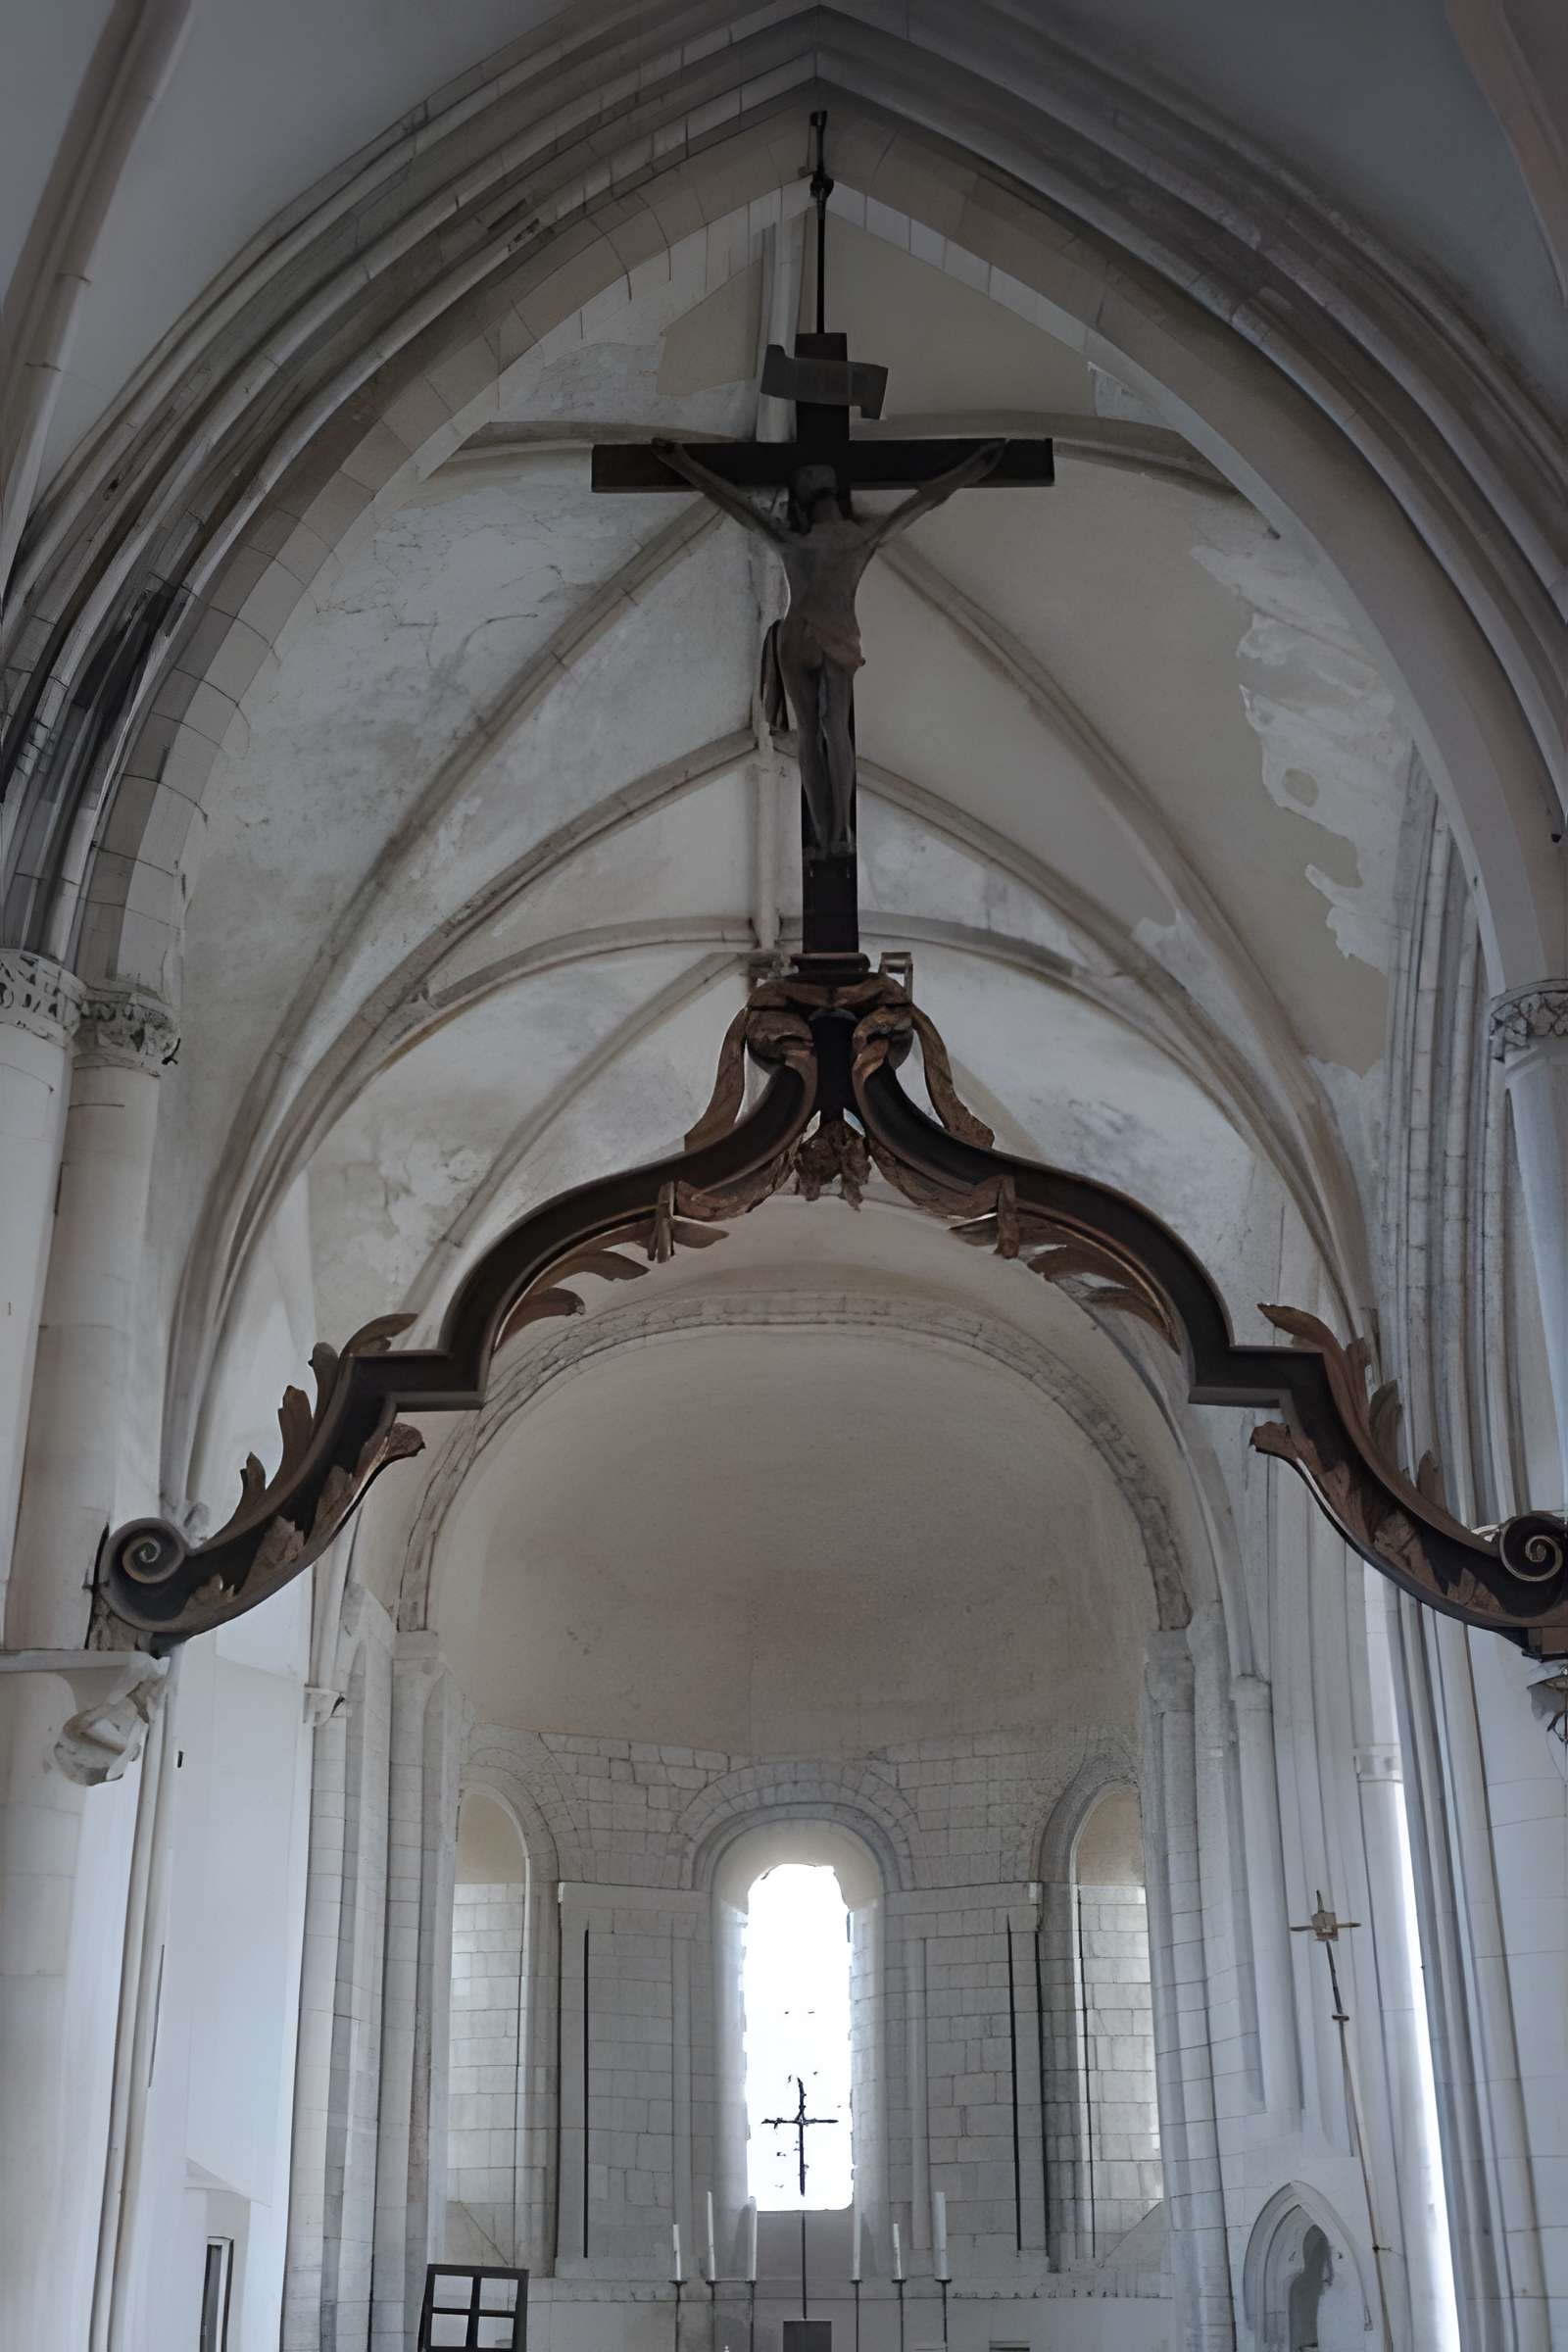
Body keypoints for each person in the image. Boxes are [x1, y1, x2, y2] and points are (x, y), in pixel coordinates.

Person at [651, 437, 1006, 852]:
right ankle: (836, 830)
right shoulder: (859, 537)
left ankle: (831, 830)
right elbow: (924, 500)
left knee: (817, 732)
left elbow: (736, 505)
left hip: (798, 636)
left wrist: (685, 465)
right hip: (832, 632)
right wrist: (972, 469)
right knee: (830, 729)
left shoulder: (795, 539)